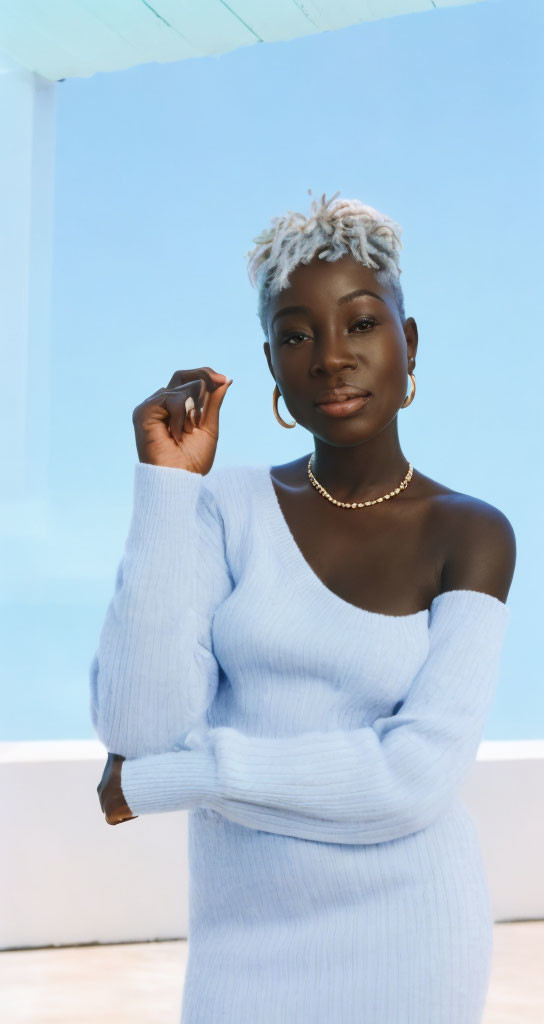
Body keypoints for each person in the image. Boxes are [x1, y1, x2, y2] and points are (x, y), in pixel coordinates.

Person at [92, 190, 516, 1022]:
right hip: (242, 943)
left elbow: (412, 779)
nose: (330, 357)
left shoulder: (470, 535)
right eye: (297, 334)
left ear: (409, 343)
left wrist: (167, 782)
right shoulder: (225, 507)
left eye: (361, 323)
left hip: (411, 937)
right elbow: (136, 728)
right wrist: (167, 491)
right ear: (273, 364)